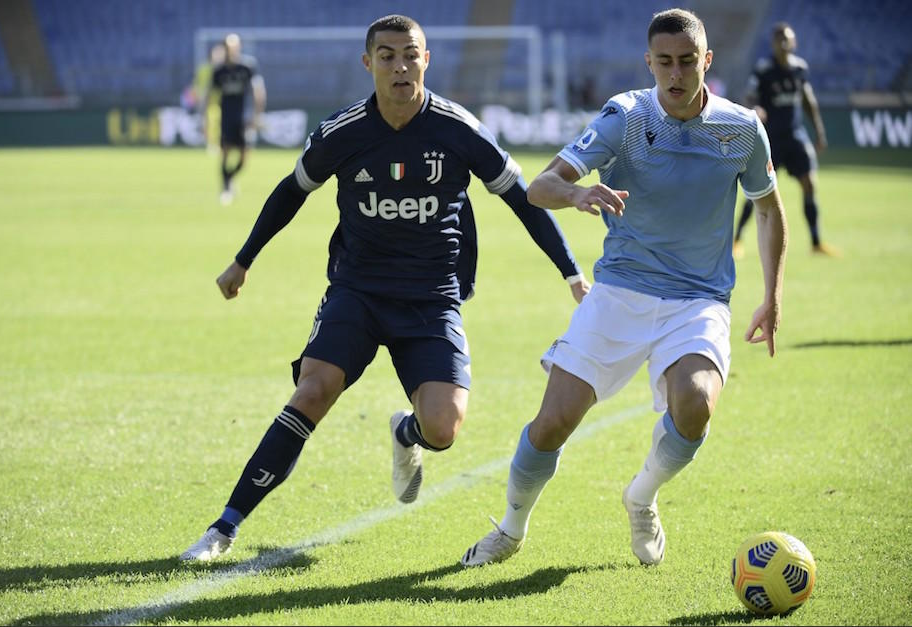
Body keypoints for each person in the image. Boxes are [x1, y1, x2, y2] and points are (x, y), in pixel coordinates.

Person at [180, 14, 589, 563]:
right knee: (313, 390)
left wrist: (570, 272)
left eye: (411, 54)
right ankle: (224, 528)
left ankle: (407, 436)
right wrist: (243, 260)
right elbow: (290, 190)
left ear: (427, 60)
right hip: (358, 290)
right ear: (368, 62)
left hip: (430, 298)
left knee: (442, 428)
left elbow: (523, 199)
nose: (401, 65)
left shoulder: (459, 129)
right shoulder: (343, 132)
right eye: (389, 55)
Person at [460, 8, 788, 568]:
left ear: (707, 61)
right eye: (665, 62)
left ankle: (641, 496)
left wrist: (772, 295)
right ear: (650, 62)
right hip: (620, 291)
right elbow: (541, 187)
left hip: (698, 298)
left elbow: (767, 209)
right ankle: (511, 530)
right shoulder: (626, 117)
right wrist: (578, 195)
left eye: (688, 62)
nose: (677, 74)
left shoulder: (741, 129)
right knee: (552, 423)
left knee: (696, 404)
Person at [733, 22, 836, 258]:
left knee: (810, 184)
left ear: (794, 43)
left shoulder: (800, 68)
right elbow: (748, 96)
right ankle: (737, 239)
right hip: (770, 140)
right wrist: (754, 107)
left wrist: (819, 132)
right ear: (772, 44)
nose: (782, 43)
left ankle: (816, 243)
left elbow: (808, 100)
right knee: (757, 192)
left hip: (795, 136)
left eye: (786, 39)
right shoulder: (764, 69)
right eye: (778, 39)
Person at [211, 33, 267, 205]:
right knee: (226, 152)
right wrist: (205, 119)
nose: (231, 51)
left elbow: (258, 91)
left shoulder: (247, 67)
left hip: (244, 117)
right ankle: (226, 186)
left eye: (233, 47)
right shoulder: (219, 71)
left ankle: (230, 177)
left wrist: (257, 115)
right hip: (227, 116)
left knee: (244, 156)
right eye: (228, 47)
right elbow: (210, 95)